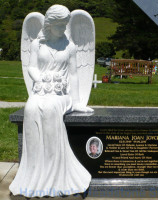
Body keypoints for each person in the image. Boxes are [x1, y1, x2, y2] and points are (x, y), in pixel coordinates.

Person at [9, 5, 92, 198]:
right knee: (31, 109)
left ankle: (56, 174)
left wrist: (77, 101)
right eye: (59, 25)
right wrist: (39, 78)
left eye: (65, 25)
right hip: (42, 90)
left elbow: (73, 74)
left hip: (62, 95)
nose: (63, 29)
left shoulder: (69, 46)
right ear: (49, 24)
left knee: (50, 109)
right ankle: (34, 171)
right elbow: (31, 67)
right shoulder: (37, 44)